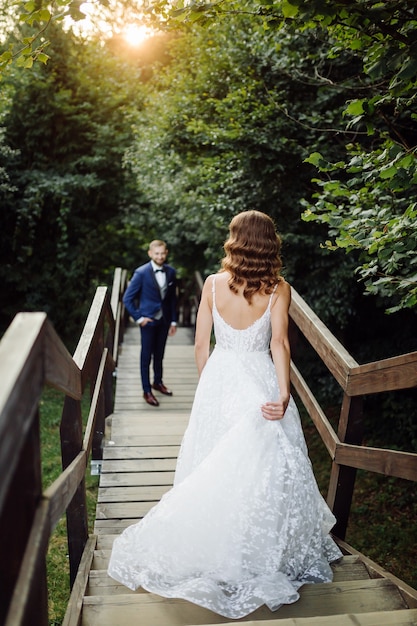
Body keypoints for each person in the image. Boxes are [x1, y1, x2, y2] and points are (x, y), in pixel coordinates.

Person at [108, 211, 342, 618]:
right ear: (270, 243)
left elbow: (202, 342)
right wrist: (284, 393)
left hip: (221, 377)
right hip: (259, 379)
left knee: (213, 460)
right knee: (265, 463)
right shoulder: (278, 288)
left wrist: (210, 385)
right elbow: (280, 344)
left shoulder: (214, 285)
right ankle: (256, 546)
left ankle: (216, 543)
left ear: (235, 241)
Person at [123, 239, 177, 407]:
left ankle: (158, 382)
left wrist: (174, 320)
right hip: (148, 321)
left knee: (159, 354)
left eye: (162, 253)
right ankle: (147, 390)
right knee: (146, 356)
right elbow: (127, 299)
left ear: (166, 253)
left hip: (165, 320)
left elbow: (172, 299)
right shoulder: (141, 273)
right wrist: (139, 318)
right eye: (156, 253)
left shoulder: (171, 272)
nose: (160, 256)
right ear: (150, 253)